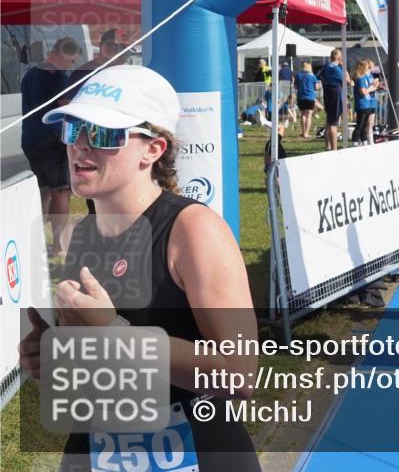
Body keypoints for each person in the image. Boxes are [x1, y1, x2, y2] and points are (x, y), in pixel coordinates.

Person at [18, 65, 260, 471]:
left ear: (153, 150)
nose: (80, 146)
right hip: (96, 448)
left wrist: (114, 333)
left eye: (103, 134)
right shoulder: (76, 234)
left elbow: (239, 374)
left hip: (196, 451)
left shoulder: (192, 230)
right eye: (72, 129)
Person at [20, 36, 81, 256]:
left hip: (30, 138)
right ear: (61, 53)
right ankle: (58, 246)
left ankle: (34, 243)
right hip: (52, 140)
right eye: (71, 60)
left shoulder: (30, 74)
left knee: (44, 192)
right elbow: (66, 107)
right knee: (61, 192)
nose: (71, 65)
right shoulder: (57, 77)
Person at [68, 29, 125, 98]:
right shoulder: (82, 73)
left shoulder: (121, 74)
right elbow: (66, 102)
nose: (123, 54)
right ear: (102, 45)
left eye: (122, 48)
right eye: (111, 45)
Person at [318, 48, 350, 151]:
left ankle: (327, 146)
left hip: (327, 93)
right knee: (333, 124)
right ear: (340, 58)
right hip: (335, 93)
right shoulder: (338, 68)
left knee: (329, 121)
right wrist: (343, 66)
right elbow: (348, 80)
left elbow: (318, 76)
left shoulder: (326, 66)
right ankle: (334, 148)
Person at [352, 59, 377, 145]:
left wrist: (375, 87)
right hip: (361, 105)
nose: (368, 69)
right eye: (367, 67)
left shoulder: (365, 77)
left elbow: (369, 89)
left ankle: (364, 140)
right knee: (360, 125)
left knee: (365, 125)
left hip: (367, 104)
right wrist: (370, 88)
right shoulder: (360, 79)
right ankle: (355, 141)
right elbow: (363, 92)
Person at [294, 61, 318, 138]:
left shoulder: (298, 76)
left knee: (303, 114)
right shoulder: (313, 76)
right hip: (310, 97)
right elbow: (316, 87)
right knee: (309, 115)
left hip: (301, 97)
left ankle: (303, 131)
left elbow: (295, 86)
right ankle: (306, 133)